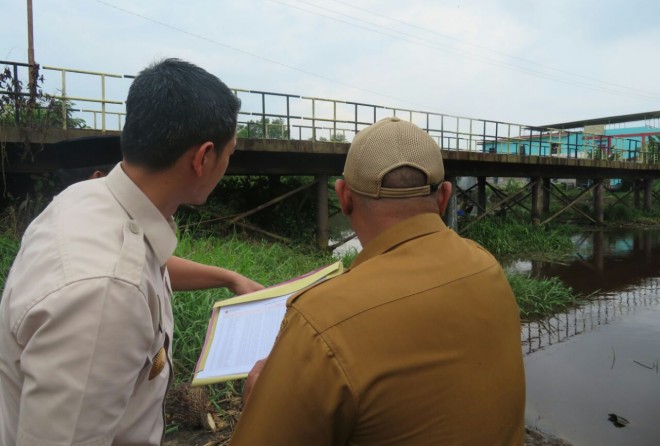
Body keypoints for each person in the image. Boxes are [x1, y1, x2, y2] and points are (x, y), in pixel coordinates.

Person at [0, 58, 262, 445]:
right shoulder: (106, 296)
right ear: (203, 158)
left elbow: (147, 264)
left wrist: (229, 278)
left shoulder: (89, 200)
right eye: (230, 153)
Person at [231, 117, 526, 445]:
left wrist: (257, 403)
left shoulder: (320, 321)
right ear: (443, 198)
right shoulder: (488, 267)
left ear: (344, 197)